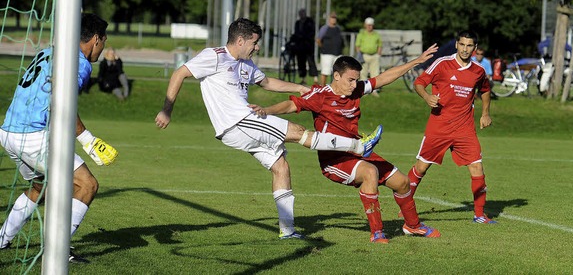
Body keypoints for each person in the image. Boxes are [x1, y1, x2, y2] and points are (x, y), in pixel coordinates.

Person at [154, 18, 383, 240]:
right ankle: (358, 145)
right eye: (254, 42)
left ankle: (287, 230)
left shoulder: (245, 64)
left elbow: (267, 82)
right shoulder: (214, 56)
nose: (257, 47)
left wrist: (301, 88)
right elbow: (179, 72)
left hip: (242, 127)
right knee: (297, 131)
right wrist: (166, 110)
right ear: (240, 41)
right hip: (237, 121)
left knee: (281, 166)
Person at [249, 44, 442, 243]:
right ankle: (377, 232)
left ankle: (413, 226)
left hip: (359, 152)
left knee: (402, 183)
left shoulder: (356, 90)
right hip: (335, 161)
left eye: (356, 80)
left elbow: (383, 78)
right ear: (336, 76)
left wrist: (416, 62)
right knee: (370, 173)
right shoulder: (320, 96)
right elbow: (292, 104)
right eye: (350, 80)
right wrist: (266, 110)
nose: (353, 85)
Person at [0, 13, 118, 263]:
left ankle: (2, 238)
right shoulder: (78, 62)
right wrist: (88, 140)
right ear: (96, 39)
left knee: (39, 187)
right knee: (87, 185)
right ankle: (58, 249)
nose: (103, 47)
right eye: (104, 41)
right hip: (33, 135)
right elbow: (61, 103)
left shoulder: (48, 51)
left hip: (9, 132)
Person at [408, 30, 497, 224]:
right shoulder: (442, 64)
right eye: (462, 45)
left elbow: (486, 90)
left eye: (469, 46)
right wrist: (427, 97)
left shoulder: (478, 71)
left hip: (464, 129)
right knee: (421, 168)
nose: (465, 49)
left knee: (477, 167)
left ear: (474, 49)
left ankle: (480, 215)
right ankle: (406, 207)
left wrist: (485, 113)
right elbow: (419, 82)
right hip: (439, 126)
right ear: (457, 45)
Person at [355, 17, 383, 97]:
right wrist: (359, 54)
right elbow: (357, 45)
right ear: (365, 25)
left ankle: (374, 90)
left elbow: (380, 45)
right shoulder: (361, 34)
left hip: (374, 56)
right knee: (363, 73)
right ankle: (364, 90)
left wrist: (378, 54)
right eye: (368, 25)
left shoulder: (376, 34)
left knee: (375, 73)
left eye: (371, 25)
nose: (369, 27)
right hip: (364, 55)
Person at [291, 8, 318, 85]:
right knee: (301, 62)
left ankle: (315, 79)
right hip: (300, 46)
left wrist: (304, 37)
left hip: (308, 46)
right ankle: (303, 78)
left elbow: (312, 32)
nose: (302, 15)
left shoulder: (310, 21)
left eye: (303, 13)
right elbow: (296, 33)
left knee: (311, 61)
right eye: (301, 13)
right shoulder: (298, 23)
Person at [316, 12, 343, 86]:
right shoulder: (325, 28)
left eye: (335, 18)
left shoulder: (338, 28)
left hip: (337, 53)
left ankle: (335, 88)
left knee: (338, 72)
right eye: (332, 17)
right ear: (329, 19)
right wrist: (324, 47)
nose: (334, 19)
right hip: (327, 54)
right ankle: (322, 88)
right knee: (325, 72)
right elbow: (318, 40)